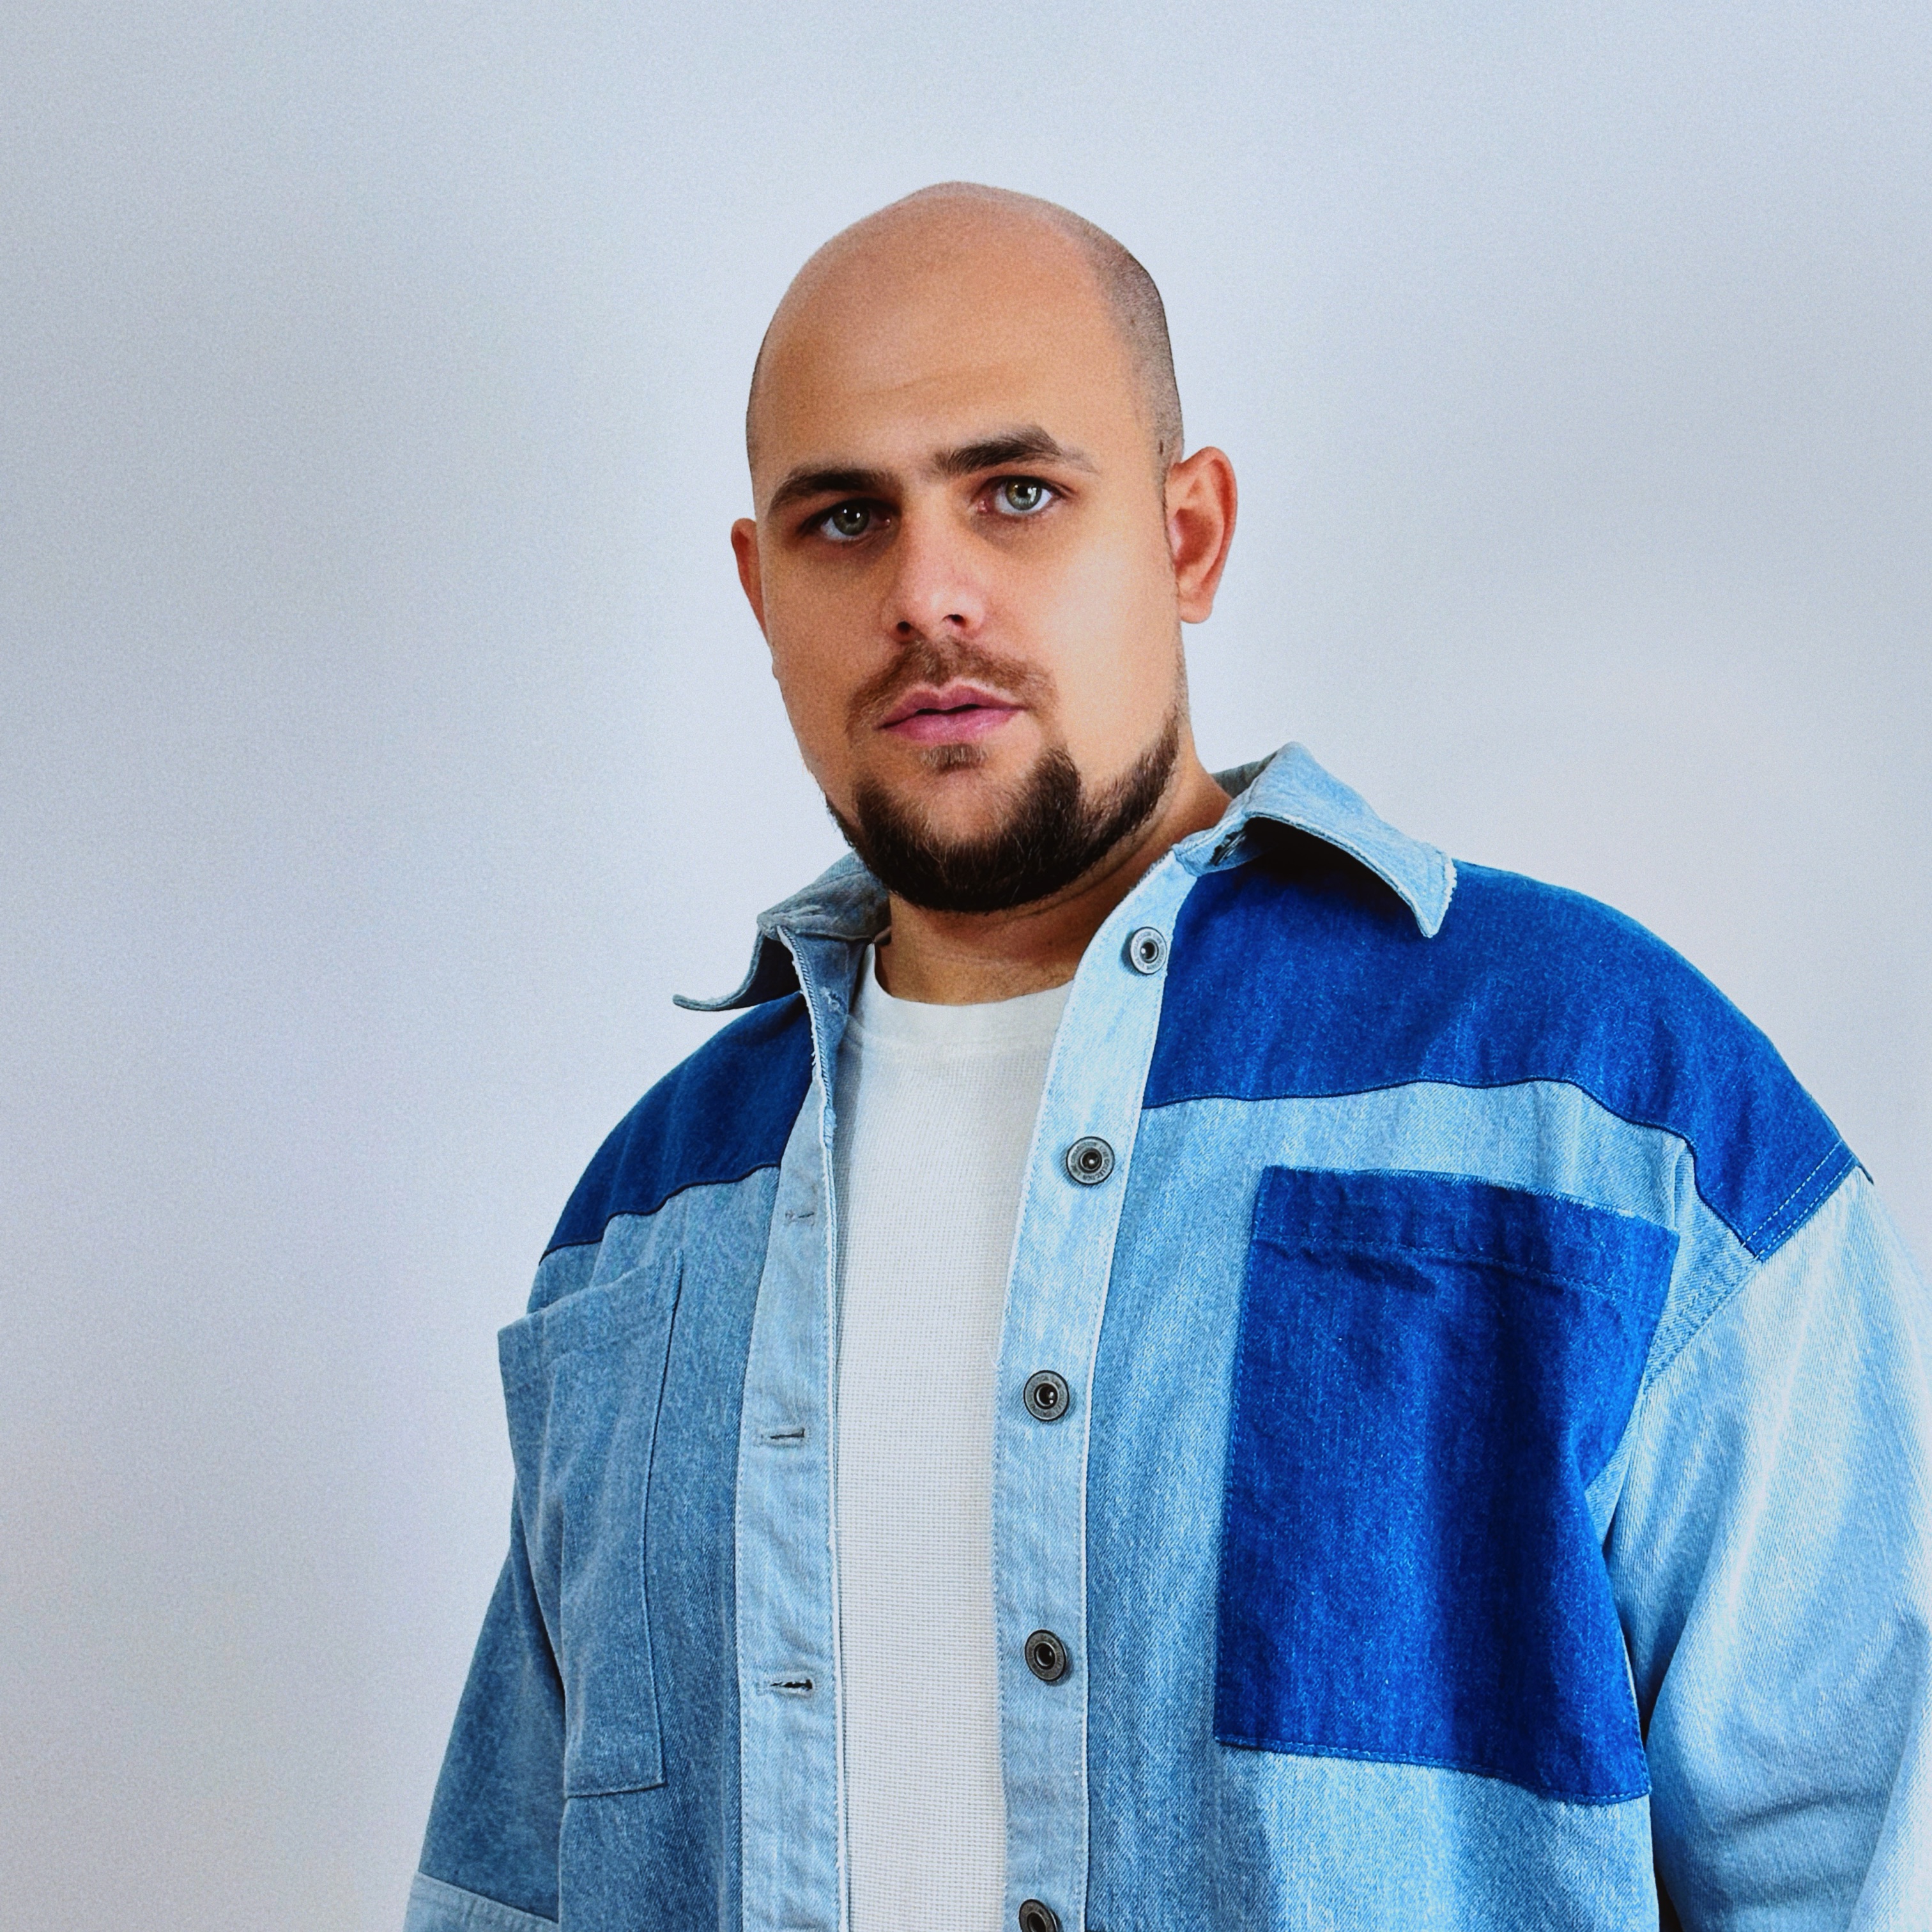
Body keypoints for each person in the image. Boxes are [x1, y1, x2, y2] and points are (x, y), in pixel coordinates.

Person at [404, 184, 1930, 1932]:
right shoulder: (645, 1220)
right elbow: (509, 1889)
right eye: (846, 519)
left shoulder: (1606, 1101)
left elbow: (1860, 1853)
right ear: (762, 588)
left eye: (1017, 491)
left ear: (1189, 537)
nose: (928, 593)